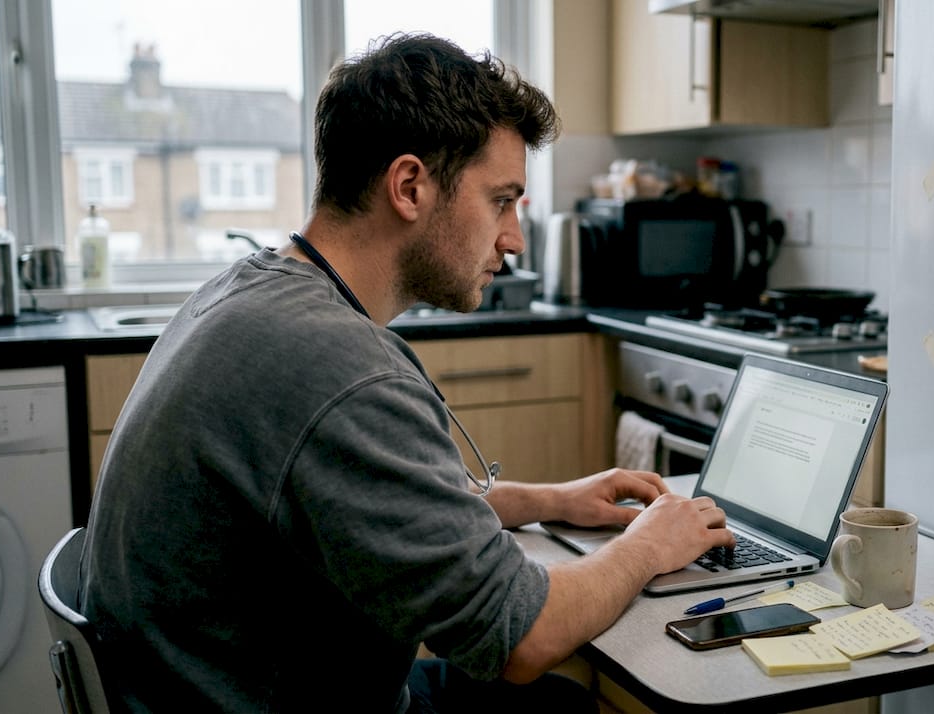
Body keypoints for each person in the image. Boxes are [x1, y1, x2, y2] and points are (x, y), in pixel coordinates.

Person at [80, 32, 735, 713]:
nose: (512, 238)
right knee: (556, 696)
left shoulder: (248, 292)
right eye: (500, 201)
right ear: (410, 186)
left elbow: (366, 509)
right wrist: (648, 544)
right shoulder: (341, 372)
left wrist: (550, 500)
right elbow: (522, 636)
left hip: (214, 686)